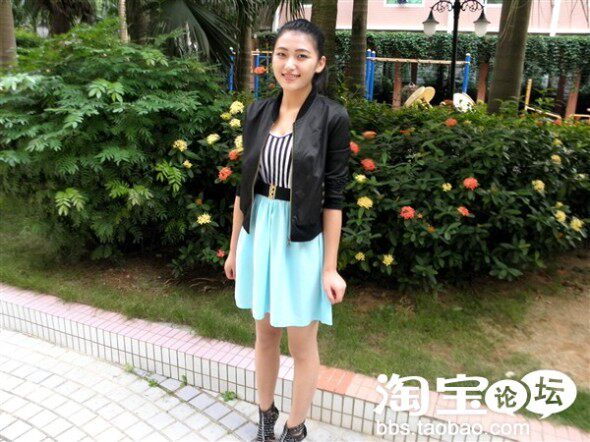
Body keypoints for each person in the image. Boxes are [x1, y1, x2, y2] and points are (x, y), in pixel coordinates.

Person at [224, 18, 351, 442]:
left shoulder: (332, 117)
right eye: (282, 54)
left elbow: (334, 196)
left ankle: (295, 427)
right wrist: (234, 248)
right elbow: (245, 187)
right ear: (272, 59)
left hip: (301, 238)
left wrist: (330, 268)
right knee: (264, 333)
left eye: (301, 56)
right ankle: (266, 414)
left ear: (320, 63)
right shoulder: (258, 112)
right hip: (259, 231)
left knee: (301, 340)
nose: (290, 65)